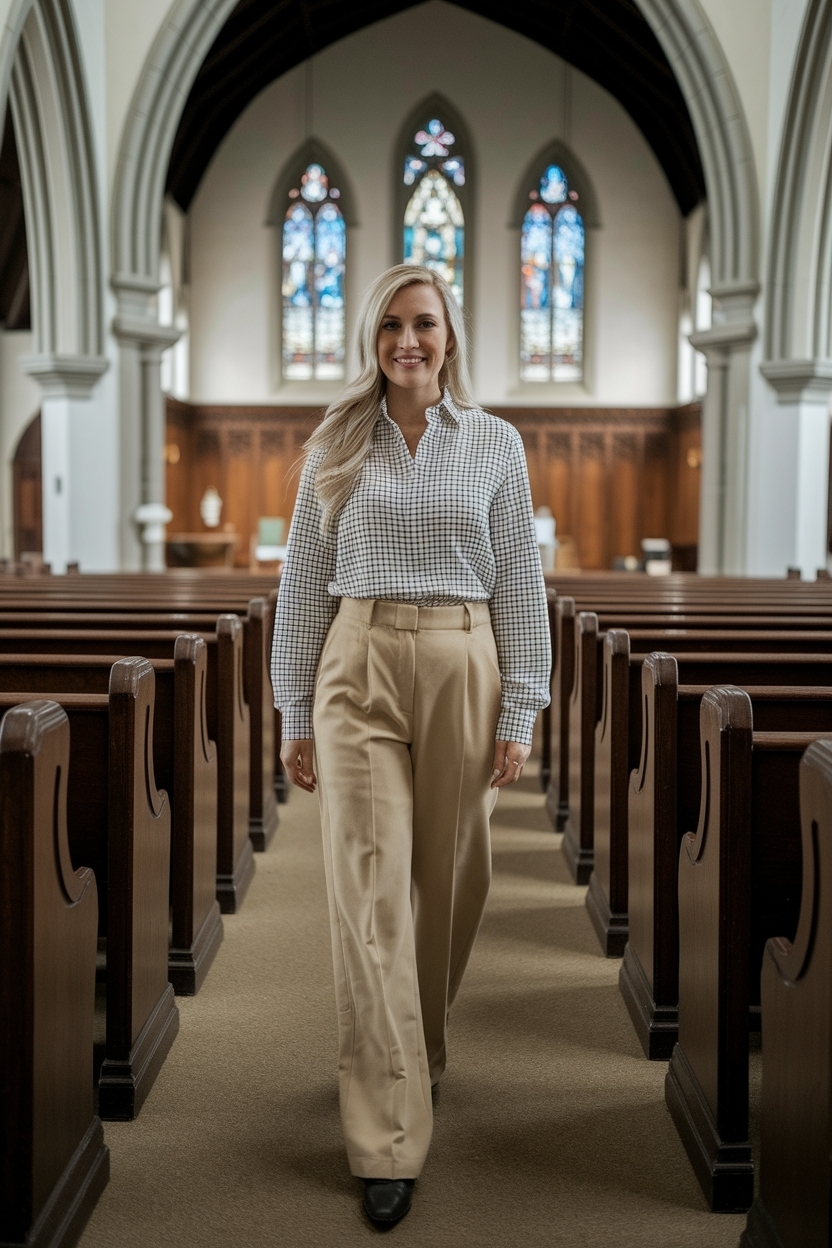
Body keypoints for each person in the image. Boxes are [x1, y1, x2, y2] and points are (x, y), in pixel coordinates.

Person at [271, 264, 550, 1227]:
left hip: (463, 659)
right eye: (390, 325)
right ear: (369, 338)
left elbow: (520, 579)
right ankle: (387, 1132)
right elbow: (303, 583)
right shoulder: (336, 443)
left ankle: (418, 1044)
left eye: (423, 324)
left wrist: (521, 706)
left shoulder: (497, 445)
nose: (407, 341)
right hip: (357, 661)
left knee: (452, 879)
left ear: (450, 335)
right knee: (371, 889)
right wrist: (291, 710)